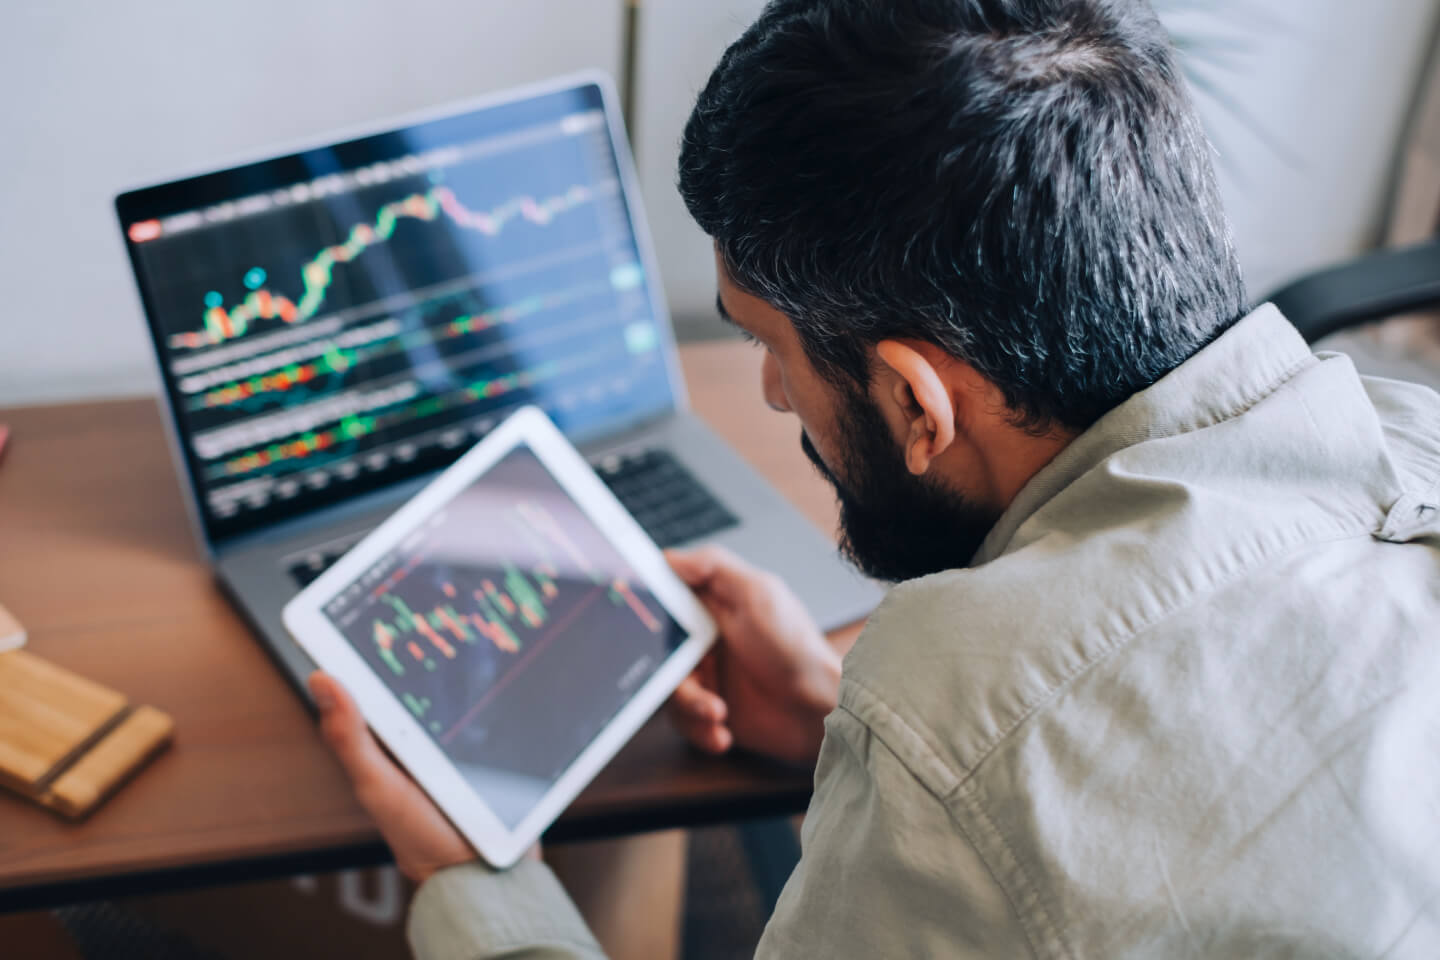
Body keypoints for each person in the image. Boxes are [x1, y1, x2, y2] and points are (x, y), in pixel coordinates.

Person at [309, 0, 1440, 955]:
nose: (770, 396)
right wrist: (834, 728)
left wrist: (473, 880)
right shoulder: (1409, 424)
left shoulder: (953, 692)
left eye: (769, 346)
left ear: (914, 401)